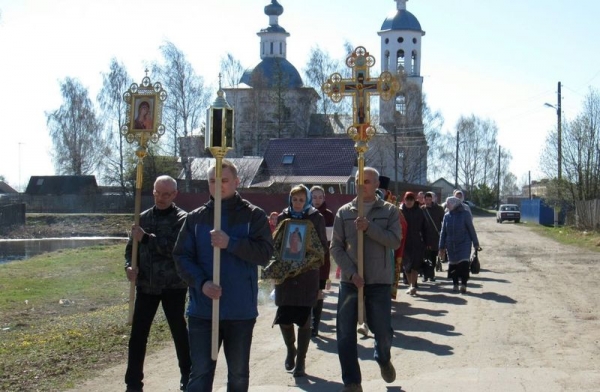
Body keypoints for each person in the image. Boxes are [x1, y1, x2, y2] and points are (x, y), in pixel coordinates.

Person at [173, 160, 274, 392]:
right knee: (199, 374)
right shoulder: (195, 219)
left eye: (224, 180)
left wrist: (231, 243)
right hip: (203, 310)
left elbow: (264, 254)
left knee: (238, 375)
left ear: (237, 182)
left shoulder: (253, 216)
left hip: (240, 310)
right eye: (212, 181)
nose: (218, 185)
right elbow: (182, 257)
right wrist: (202, 283)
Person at [331, 167, 401, 392]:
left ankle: (383, 358)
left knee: (382, 331)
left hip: (378, 281)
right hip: (351, 282)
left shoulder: (389, 211)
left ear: (377, 184)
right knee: (344, 333)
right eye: (359, 182)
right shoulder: (344, 212)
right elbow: (336, 247)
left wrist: (369, 227)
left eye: (367, 182)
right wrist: (351, 273)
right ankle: (352, 381)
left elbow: (394, 241)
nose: (362, 186)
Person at [124, 175, 191, 392]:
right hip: (147, 286)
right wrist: (129, 267)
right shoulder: (141, 218)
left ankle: (188, 376)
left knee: (179, 332)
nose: (161, 198)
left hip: (174, 285)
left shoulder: (182, 219)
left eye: (166, 194)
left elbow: (174, 249)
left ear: (174, 195)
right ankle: (133, 383)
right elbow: (129, 250)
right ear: (153, 192)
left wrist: (145, 238)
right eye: (157, 193)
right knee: (138, 335)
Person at [274, 184, 327, 377]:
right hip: (286, 275)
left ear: (307, 201)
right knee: (284, 318)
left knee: (305, 319)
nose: (298, 204)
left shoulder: (316, 218)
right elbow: (277, 243)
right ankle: (291, 349)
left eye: (301, 200)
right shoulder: (282, 217)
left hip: (307, 274)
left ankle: (301, 362)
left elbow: (322, 246)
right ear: (290, 200)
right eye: (295, 200)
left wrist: (307, 256)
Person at [438, 196, 481, 294]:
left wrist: (476, 243)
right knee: (453, 265)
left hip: (464, 244)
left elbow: (471, 229)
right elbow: (443, 232)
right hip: (451, 245)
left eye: (448, 203)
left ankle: (464, 284)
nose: (447, 205)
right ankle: (455, 284)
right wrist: (441, 246)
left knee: (464, 265)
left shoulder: (465, 214)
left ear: (454, 204)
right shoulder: (447, 216)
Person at [309, 185, 334, 338]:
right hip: (306, 259)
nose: (317, 200)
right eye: (314, 197)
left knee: (318, 292)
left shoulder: (329, 215)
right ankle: (305, 321)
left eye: (320, 197)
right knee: (307, 291)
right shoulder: (305, 213)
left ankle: (315, 325)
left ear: (324, 198)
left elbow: (329, 239)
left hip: (322, 258)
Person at [400, 191, 427, 296]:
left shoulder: (419, 211)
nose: (409, 202)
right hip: (404, 242)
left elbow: (425, 227)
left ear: (414, 200)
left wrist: (426, 241)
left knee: (415, 265)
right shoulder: (400, 211)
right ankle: (410, 284)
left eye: (411, 199)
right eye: (407, 199)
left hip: (417, 241)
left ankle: (413, 286)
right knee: (406, 266)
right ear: (404, 200)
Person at [422, 191, 445, 282]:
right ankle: (425, 275)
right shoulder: (422, 209)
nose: (428, 201)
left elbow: (444, 221)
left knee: (433, 257)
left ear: (432, 199)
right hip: (425, 237)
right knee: (425, 257)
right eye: (426, 199)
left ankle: (431, 275)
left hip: (435, 237)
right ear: (424, 200)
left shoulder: (439, 209)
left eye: (429, 199)